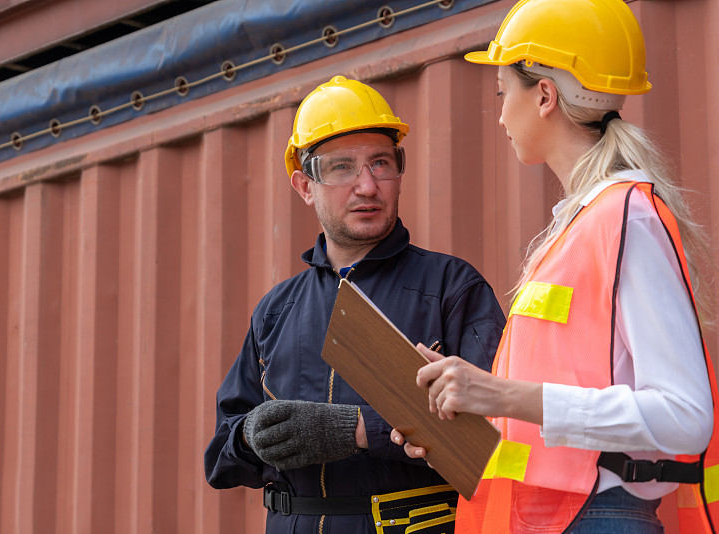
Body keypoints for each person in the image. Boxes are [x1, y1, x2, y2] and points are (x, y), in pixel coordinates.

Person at [392, 0, 719, 532]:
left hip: (598, 518)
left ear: (544, 95)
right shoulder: (581, 224)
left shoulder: (627, 217)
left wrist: (501, 394)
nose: (500, 115)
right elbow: (549, 413)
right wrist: (463, 407)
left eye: (503, 93)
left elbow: (685, 417)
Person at [204, 75, 506, 533]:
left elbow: (494, 438)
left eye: (380, 163)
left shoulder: (453, 289)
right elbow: (221, 457)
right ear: (305, 186)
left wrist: (359, 430)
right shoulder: (275, 311)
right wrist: (250, 437)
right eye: (342, 167)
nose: (367, 186)